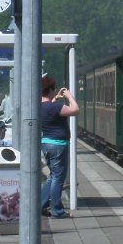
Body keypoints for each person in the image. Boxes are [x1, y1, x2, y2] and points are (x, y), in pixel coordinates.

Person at [40, 75, 79, 218]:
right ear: (50, 89)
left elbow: (49, 107)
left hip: (46, 144)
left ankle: (41, 205)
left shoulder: (40, 106)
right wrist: (69, 96)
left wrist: (55, 98)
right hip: (58, 145)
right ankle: (57, 211)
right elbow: (75, 110)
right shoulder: (54, 107)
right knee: (58, 178)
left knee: (52, 176)